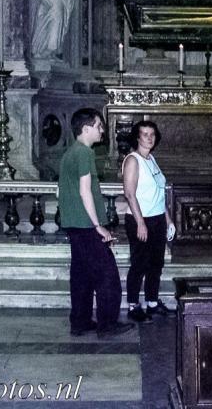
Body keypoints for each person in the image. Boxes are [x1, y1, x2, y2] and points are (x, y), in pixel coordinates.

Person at [58, 108, 133, 338]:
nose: (102, 130)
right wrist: (98, 225)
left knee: (81, 275)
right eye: (99, 126)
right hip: (86, 225)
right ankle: (107, 325)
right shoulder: (84, 153)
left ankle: (80, 321)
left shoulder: (71, 152)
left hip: (74, 224)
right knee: (107, 275)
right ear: (86, 128)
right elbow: (85, 191)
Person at [121, 120, 175, 322]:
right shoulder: (133, 160)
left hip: (157, 218)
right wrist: (140, 223)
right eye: (145, 134)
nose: (149, 138)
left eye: (152, 134)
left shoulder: (150, 158)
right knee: (139, 264)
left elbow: (158, 194)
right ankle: (133, 305)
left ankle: (152, 302)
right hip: (139, 219)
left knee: (156, 264)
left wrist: (168, 220)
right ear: (137, 137)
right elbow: (129, 194)